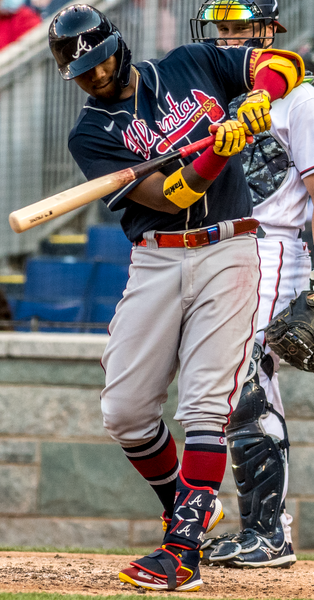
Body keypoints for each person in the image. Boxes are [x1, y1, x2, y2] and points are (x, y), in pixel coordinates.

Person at [48, 4, 304, 591]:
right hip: (158, 255)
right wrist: (217, 149)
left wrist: (259, 99)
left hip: (230, 248)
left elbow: (282, 60)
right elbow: (174, 192)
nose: (95, 75)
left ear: (117, 45)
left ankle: (181, 549)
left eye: (98, 61)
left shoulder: (191, 63)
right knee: (126, 412)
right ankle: (184, 501)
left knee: (206, 404)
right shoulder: (91, 132)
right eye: (82, 71)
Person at [191, 0, 314, 569]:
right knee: (232, 381)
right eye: (222, 29)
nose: (229, 38)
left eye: (241, 28)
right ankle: (262, 530)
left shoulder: (301, 97)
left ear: (268, 31)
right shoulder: (210, 95)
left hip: (274, 244)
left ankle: (266, 532)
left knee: (243, 376)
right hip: (224, 244)